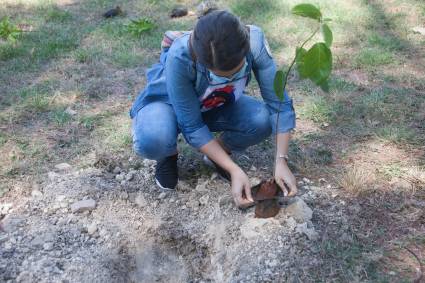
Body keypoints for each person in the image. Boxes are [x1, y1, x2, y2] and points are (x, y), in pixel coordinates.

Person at [130, 9, 297, 207]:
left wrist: (281, 161)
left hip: (213, 102)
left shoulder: (255, 42)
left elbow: (279, 105)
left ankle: (219, 153)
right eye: (220, 75)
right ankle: (168, 153)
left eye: (233, 74)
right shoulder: (180, 56)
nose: (227, 79)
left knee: (262, 119)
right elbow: (192, 126)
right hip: (166, 104)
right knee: (153, 138)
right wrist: (235, 170)